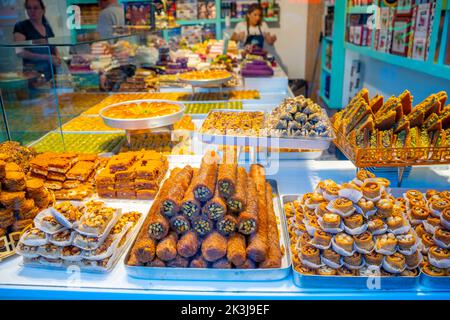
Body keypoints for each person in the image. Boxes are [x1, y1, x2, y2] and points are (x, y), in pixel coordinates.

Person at [13, 0, 60, 81]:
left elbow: (53, 46)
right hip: (33, 75)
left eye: (35, 8)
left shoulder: (47, 27)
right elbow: (19, 52)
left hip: (51, 73)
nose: (32, 11)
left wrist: (58, 58)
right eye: (29, 8)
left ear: (43, 9)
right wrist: (47, 57)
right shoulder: (21, 26)